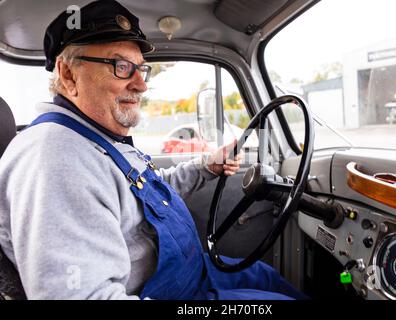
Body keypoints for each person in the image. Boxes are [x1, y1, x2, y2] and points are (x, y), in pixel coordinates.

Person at [0, 0, 305, 300]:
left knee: (267, 278)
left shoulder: (98, 139)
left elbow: (147, 196)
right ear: (69, 76)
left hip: (197, 275)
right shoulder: (57, 158)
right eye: (121, 66)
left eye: (140, 69)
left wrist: (206, 167)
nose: (141, 85)